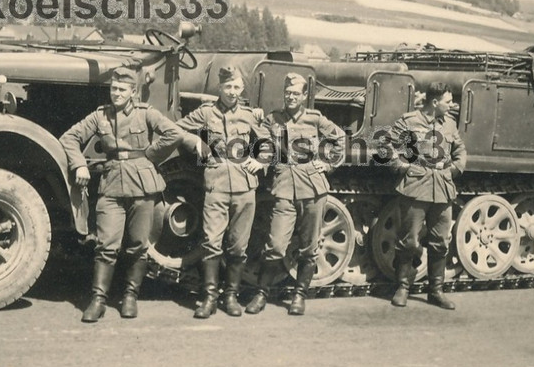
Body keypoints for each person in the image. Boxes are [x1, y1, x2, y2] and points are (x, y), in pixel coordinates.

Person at [59, 66, 182, 323]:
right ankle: (98, 300)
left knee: (138, 245)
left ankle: (130, 296)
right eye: (113, 88)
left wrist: (149, 156)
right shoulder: (100, 115)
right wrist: (79, 163)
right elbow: (69, 138)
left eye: (121, 90)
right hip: (111, 184)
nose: (116, 93)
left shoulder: (146, 113)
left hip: (142, 184)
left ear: (133, 92)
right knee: (106, 244)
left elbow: (174, 133)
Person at [246, 72, 344, 316]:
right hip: (284, 187)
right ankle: (261, 293)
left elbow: (340, 138)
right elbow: (264, 143)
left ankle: (300, 295)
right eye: (287, 93)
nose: (290, 97)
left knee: (310, 247)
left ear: (304, 96)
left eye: (295, 93)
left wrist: (329, 164)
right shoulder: (274, 118)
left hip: (313, 188)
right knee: (276, 245)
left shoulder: (314, 119)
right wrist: (255, 118)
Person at [177, 65, 271, 319]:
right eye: (228, 87)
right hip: (216, 185)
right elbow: (176, 128)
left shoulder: (251, 115)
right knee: (211, 243)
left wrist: (261, 161)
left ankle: (230, 297)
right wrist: (195, 141)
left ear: (242, 89)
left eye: (236, 87)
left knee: (239, 247)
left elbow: (268, 142)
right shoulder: (206, 113)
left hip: (244, 187)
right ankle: (209, 298)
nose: (232, 92)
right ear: (220, 88)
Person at [387, 81, 467, 310]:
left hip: (442, 190)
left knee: (441, 242)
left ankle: (436, 291)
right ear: (435, 102)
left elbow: (460, 150)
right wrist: (402, 166)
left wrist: (455, 169)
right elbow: (387, 145)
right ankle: (402, 287)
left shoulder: (449, 124)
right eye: (448, 101)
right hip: (415, 188)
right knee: (409, 241)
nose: (452, 106)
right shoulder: (409, 121)